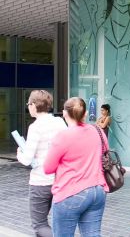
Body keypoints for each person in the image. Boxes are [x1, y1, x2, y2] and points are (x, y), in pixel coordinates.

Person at [43, 97, 109, 237]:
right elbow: (105, 154)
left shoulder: (62, 136)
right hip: (97, 191)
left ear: (64, 113)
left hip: (70, 193)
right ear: (85, 114)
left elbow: (48, 168)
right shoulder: (98, 131)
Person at [16, 90, 67, 237]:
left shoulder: (35, 127)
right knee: (58, 222)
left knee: (39, 224)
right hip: (60, 180)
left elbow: (27, 159)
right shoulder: (59, 122)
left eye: (28, 104)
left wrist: (20, 151)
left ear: (33, 105)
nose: (28, 107)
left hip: (40, 181)